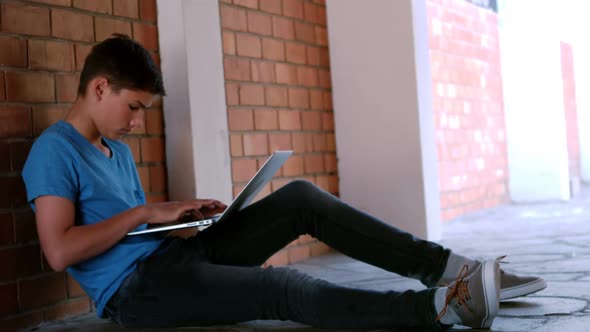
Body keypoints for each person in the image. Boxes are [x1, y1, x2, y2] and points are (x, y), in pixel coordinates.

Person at [22, 34, 546, 331]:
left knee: (300, 198)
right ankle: (440, 306)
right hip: (137, 295)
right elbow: (59, 251)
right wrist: (143, 213)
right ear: (99, 86)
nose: (137, 122)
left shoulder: (114, 151)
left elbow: (130, 234)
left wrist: (184, 219)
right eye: (133, 108)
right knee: (283, 287)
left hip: (174, 261)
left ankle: (449, 267)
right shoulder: (54, 150)